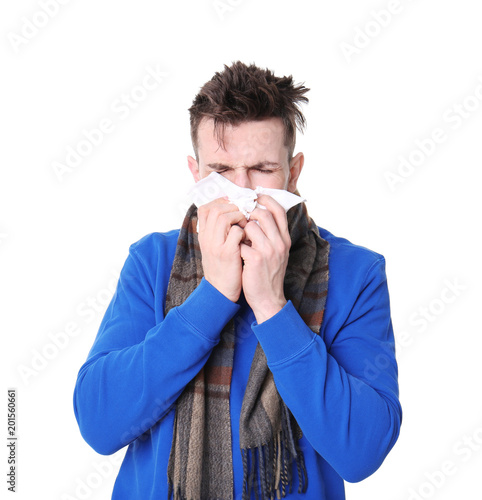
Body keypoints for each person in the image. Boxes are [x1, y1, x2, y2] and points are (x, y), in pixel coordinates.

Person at [73, 61, 402, 500]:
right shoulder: (152, 261)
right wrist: (211, 297)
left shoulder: (355, 273)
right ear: (196, 174)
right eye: (221, 172)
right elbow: (100, 424)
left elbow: (362, 452)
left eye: (263, 168)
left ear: (294, 171)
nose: (241, 192)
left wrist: (272, 307)